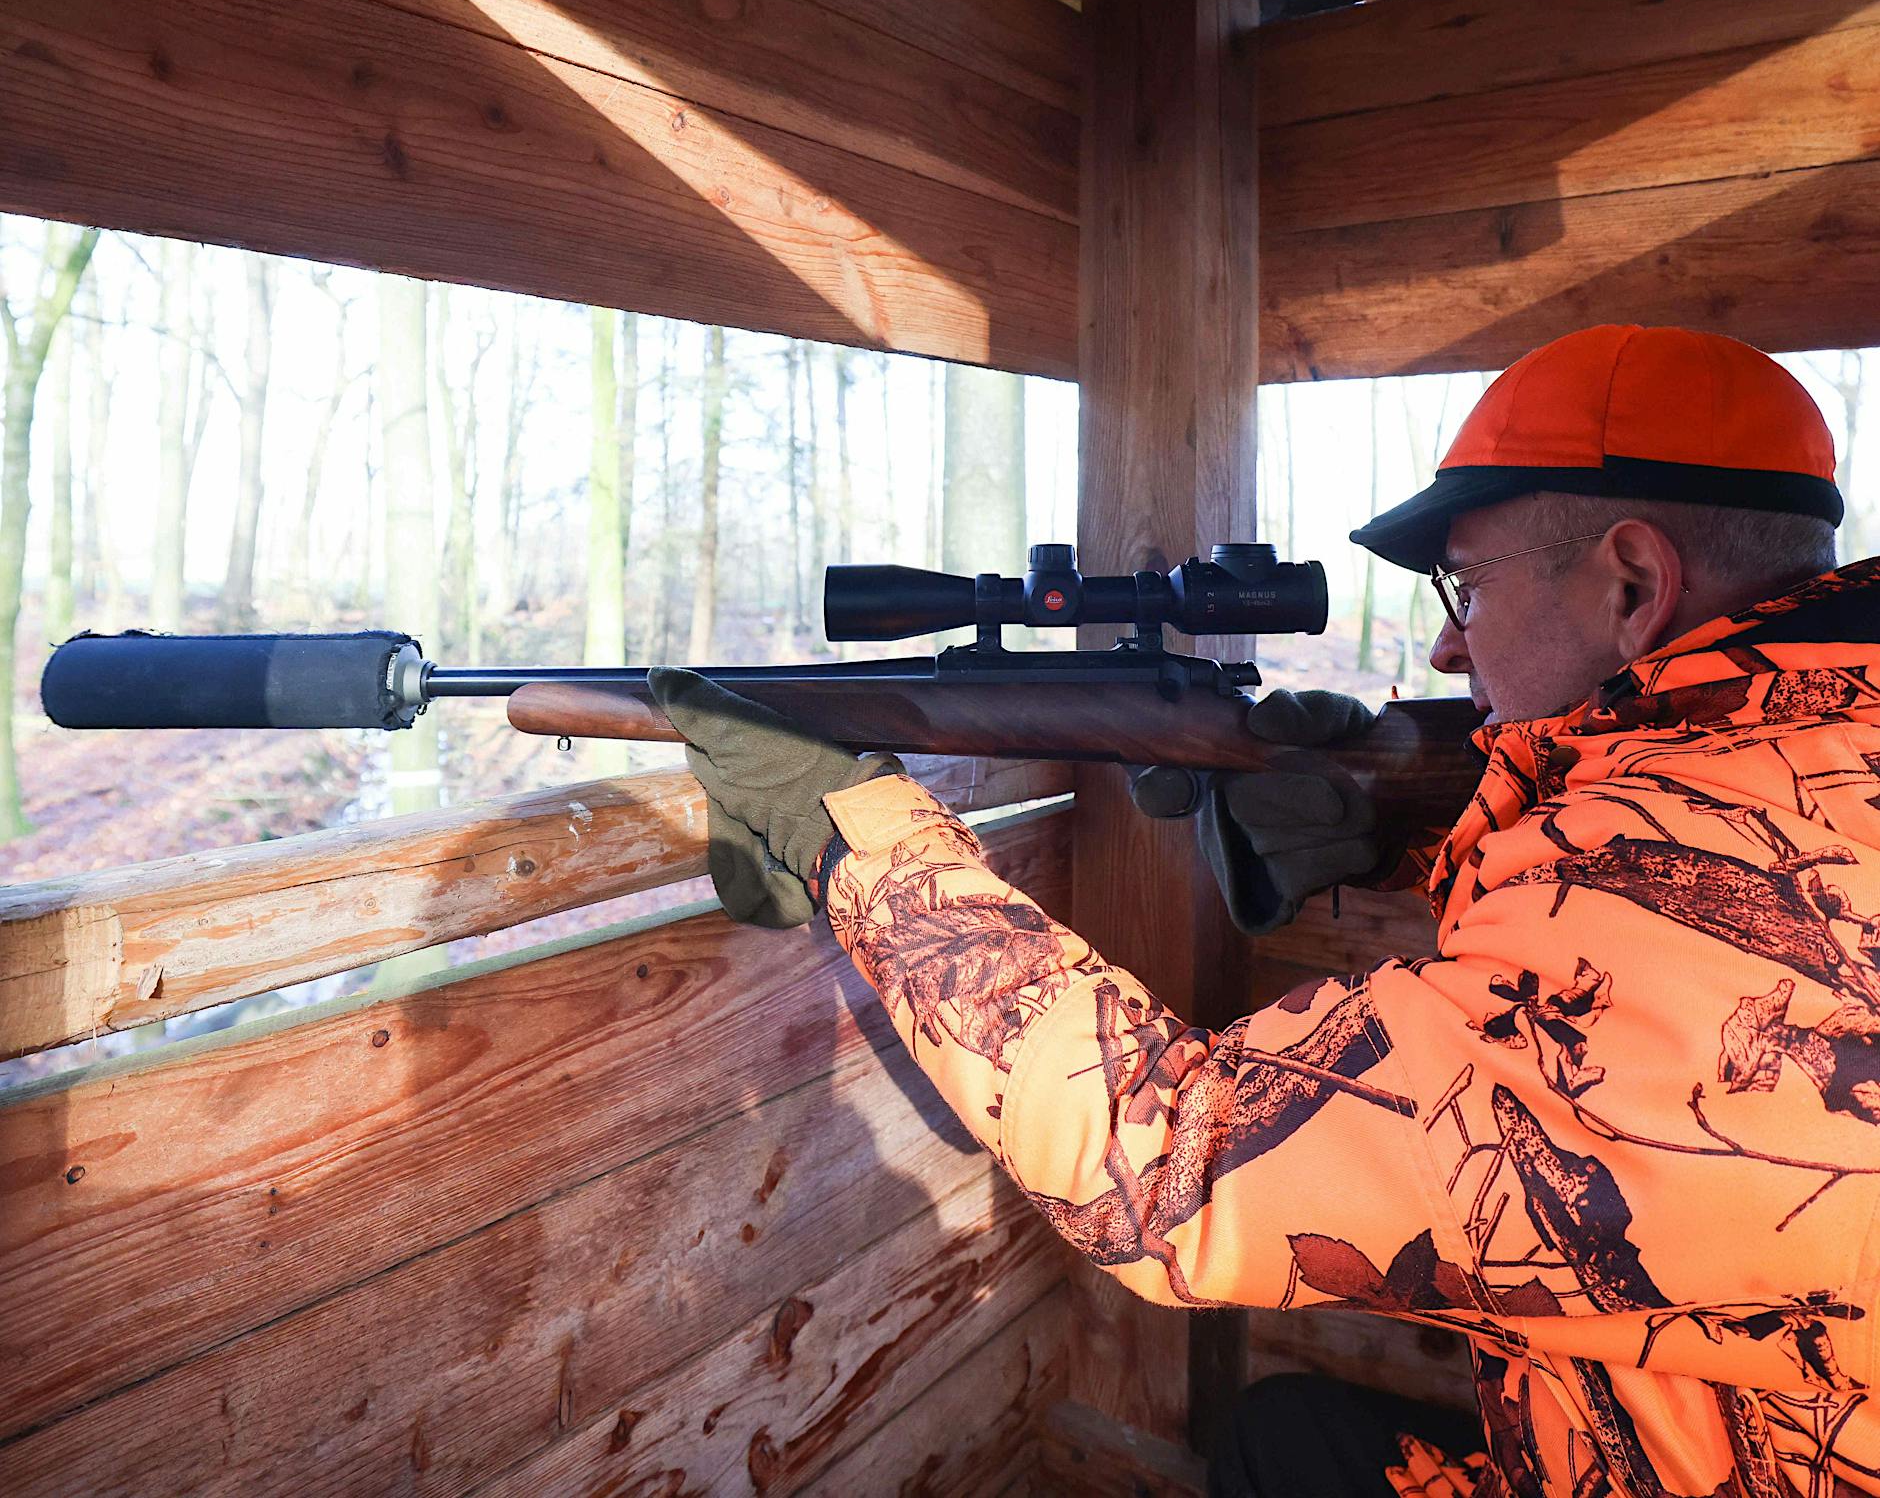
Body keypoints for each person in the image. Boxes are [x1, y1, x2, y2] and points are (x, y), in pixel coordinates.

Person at [648, 324, 1880, 1497]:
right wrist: (1394, 828)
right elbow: (1657, 878)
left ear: (1629, 583)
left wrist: (854, 832)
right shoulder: (1818, 760)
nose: (1450, 654)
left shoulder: (1651, 913)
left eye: (1465, 586)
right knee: (1288, 1436)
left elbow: (1168, 1176)